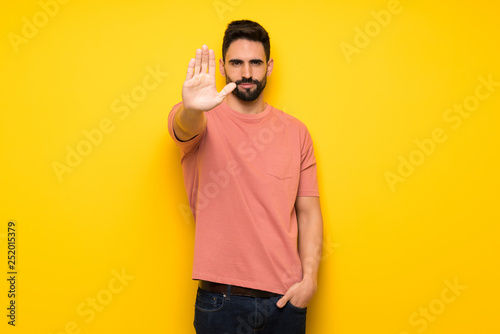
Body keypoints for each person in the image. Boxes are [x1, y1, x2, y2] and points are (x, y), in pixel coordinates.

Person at [167, 20, 323, 333]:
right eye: (237, 63)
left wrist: (309, 281)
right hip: (221, 303)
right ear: (223, 66)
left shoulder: (296, 132)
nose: (247, 73)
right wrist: (192, 108)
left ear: (269, 66)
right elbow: (184, 127)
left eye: (255, 62)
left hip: (285, 302)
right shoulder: (201, 118)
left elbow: (308, 213)